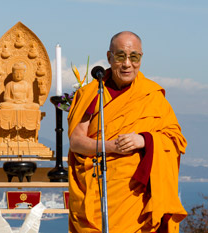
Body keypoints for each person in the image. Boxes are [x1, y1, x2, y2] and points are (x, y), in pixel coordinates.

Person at [67, 31, 187, 232]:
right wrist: (110, 146)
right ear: (109, 57)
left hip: (137, 199)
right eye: (120, 56)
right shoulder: (91, 93)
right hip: (100, 189)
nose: (127, 64)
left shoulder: (152, 96)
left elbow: (176, 140)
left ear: (141, 58)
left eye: (134, 57)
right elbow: (76, 142)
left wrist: (144, 140)